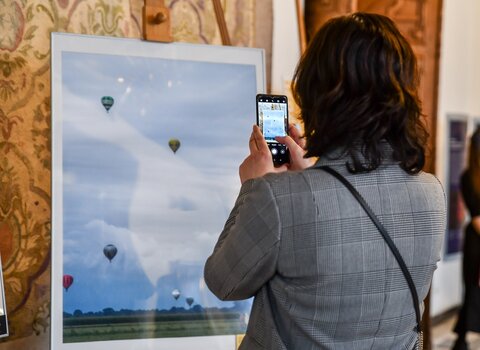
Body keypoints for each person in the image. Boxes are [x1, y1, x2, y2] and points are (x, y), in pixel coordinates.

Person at [204, 12, 446, 349]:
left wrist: (252, 187)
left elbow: (223, 282)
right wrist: (308, 179)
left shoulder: (276, 198)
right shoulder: (432, 194)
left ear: (318, 92)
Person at [453, 127, 480, 350]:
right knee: (472, 287)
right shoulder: (468, 178)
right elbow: (478, 220)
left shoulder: (466, 177)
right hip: (476, 241)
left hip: (473, 239)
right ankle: (461, 337)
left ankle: (461, 338)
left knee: (471, 288)